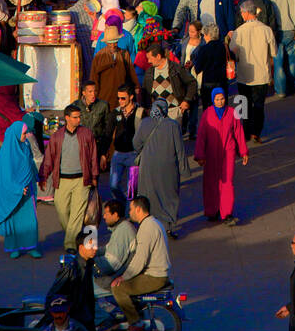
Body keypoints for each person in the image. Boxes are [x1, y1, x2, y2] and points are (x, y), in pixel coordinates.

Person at [39, 103, 99, 251]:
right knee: (62, 210)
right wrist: (43, 176)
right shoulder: (57, 137)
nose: (79, 120)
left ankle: (71, 246)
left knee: (77, 214)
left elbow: (93, 156)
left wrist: (95, 175)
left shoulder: (86, 134)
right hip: (62, 181)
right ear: (67, 118)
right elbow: (49, 158)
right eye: (75, 117)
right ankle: (76, 237)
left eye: (79, 117)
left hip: (81, 180)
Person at [111, 196, 172, 331]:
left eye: (131, 209)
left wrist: (123, 277)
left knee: (118, 288)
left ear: (138, 209)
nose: (129, 212)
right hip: (157, 272)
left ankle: (135, 322)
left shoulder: (147, 228)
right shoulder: (154, 223)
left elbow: (140, 260)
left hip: (154, 276)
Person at [132, 97, 191, 237]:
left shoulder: (144, 123)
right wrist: (184, 169)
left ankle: (149, 226)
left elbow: (136, 144)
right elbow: (180, 150)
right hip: (168, 169)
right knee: (169, 197)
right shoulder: (173, 125)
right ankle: (169, 226)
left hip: (148, 168)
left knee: (149, 195)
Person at [0, 116, 42, 259]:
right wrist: (17, 189)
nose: (26, 135)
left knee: (30, 220)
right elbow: (5, 176)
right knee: (14, 220)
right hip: (15, 192)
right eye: (23, 133)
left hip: (29, 190)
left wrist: (38, 178)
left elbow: (30, 164)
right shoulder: (6, 152)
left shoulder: (25, 146)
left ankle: (31, 246)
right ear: (16, 134)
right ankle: (15, 247)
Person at [194, 87, 249, 224]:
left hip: (228, 152)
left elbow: (238, 133)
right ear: (213, 100)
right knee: (211, 182)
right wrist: (200, 155)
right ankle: (212, 211)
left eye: (222, 98)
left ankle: (227, 213)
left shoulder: (232, 112)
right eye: (217, 99)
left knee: (227, 182)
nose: (220, 102)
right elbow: (201, 136)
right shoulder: (207, 114)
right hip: (211, 153)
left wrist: (243, 151)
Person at [227, 0, 276, 142]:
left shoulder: (238, 32)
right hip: (262, 73)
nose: (241, 15)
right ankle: (256, 132)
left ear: (248, 13)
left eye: (242, 12)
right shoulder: (266, 30)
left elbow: (232, 53)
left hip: (244, 74)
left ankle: (246, 131)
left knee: (244, 103)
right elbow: (273, 52)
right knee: (259, 104)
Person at [142, 42, 198, 120]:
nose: (148, 61)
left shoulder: (176, 68)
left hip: (174, 112)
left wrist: (186, 100)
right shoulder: (149, 72)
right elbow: (144, 92)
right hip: (155, 114)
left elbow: (192, 83)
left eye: (150, 58)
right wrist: (147, 108)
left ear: (158, 56)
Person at [106, 86, 143, 202]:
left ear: (131, 97)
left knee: (132, 189)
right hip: (118, 154)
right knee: (113, 186)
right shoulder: (115, 113)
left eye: (123, 98)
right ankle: (122, 204)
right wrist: (103, 153)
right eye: (118, 98)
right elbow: (108, 133)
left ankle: (130, 214)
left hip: (133, 155)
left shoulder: (140, 113)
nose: (120, 101)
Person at [94, 198, 137, 296]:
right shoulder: (121, 228)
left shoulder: (123, 230)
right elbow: (107, 249)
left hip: (114, 277)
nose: (104, 216)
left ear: (115, 215)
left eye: (106, 213)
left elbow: (112, 262)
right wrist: (91, 253)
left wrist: (92, 264)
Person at [78, 80, 111, 169]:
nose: (93, 94)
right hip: (80, 148)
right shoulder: (76, 106)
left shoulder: (103, 106)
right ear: (84, 93)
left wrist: (104, 153)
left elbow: (107, 130)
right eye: (90, 92)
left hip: (97, 147)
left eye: (95, 91)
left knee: (94, 178)